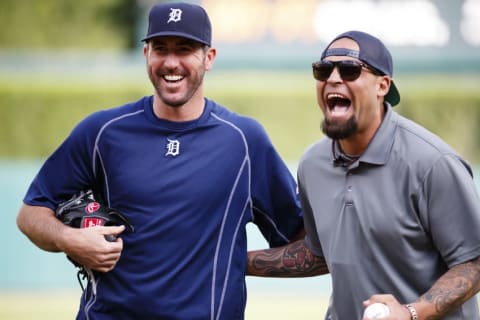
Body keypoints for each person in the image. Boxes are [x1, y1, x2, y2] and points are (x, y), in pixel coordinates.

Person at [16, 2, 303, 319]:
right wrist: (70, 239)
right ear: (146, 55)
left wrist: (233, 262)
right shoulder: (101, 132)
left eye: (184, 49)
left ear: (209, 58)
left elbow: (301, 241)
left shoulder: (244, 141)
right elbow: (31, 213)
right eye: (160, 48)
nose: (171, 62)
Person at [246, 30, 480, 319]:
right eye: (323, 70)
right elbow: (316, 255)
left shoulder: (432, 163)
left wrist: (410, 313)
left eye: (349, 70)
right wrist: (229, 261)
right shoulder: (312, 164)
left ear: (382, 85)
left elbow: (473, 263)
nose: (333, 78)